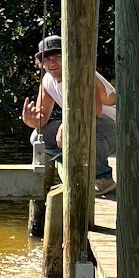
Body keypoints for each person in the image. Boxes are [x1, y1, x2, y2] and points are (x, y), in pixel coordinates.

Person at [21, 35, 116, 195]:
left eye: (58, 57)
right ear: (41, 63)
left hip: (116, 131)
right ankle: (73, 166)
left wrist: (66, 124)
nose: (52, 63)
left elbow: (95, 110)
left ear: (68, 56)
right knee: (37, 136)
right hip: (85, 122)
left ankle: (103, 179)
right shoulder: (47, 81)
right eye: (47, 59)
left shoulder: (82, 72)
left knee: (89, 125)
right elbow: (41, 118)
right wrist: (30, 120)